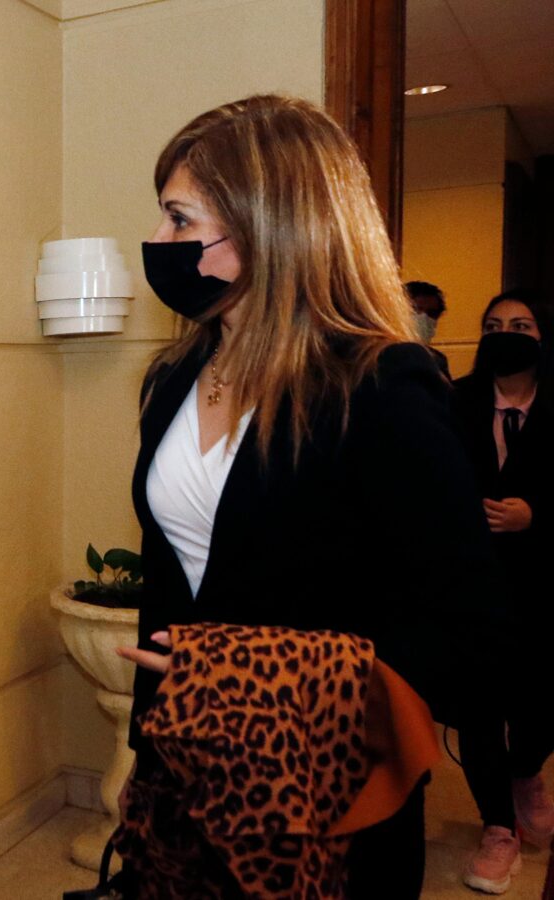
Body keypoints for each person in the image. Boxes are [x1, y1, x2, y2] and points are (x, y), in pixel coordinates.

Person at [115, 95, 502, 899]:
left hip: (322, 790)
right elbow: (174, 575)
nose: (157, 240)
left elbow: (460, 621)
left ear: (269, 229)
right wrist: (152, 742)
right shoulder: (173, 377)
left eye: (179, 220)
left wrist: (253, 678)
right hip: (184, 765)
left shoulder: (383, 386)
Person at [450, 289, 554, 895]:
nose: (504, 334)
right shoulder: (453, 401)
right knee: (479, 708)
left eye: (520, 325)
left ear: (542, 337)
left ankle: (526, 772)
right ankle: (497, 827)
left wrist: (534, 517)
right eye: (492, 325)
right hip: (473, 583)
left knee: (541, 702)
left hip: (545, 585)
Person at [406, 280, 451, 379]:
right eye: (415, 310)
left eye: (431, 313)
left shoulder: (438, 361)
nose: (424, 318)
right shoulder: (377, 357)